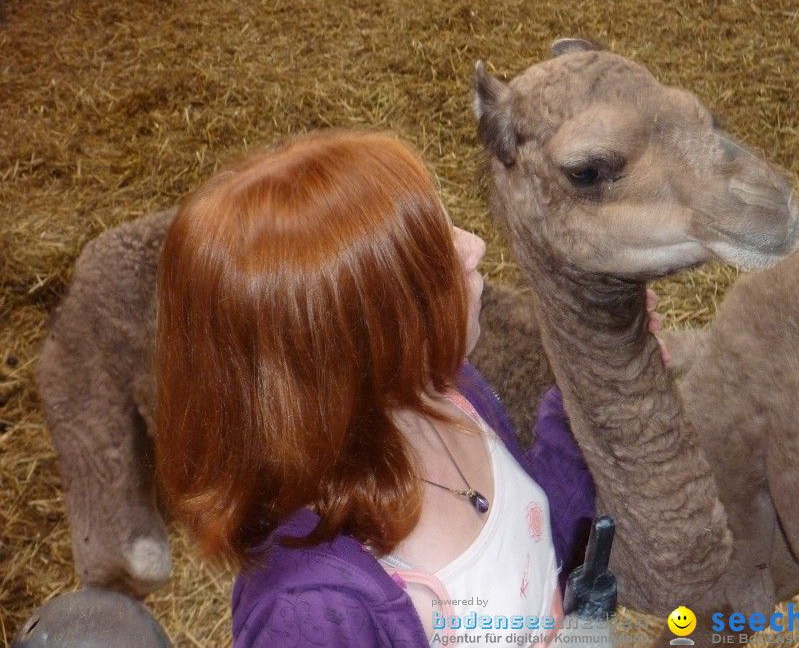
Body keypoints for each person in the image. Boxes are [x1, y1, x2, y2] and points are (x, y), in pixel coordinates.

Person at [155, 130, 659, 647]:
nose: (475, 247)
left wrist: (585, 396)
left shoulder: (449, 396)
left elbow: (533, 540)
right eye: (438, 254)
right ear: (368, 335)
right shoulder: (311, 614)